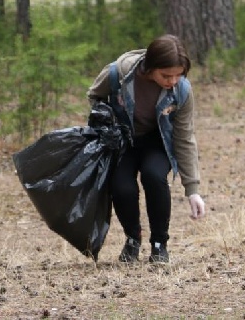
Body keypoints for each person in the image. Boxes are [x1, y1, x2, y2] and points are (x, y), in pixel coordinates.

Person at [87, 34, 206, 264]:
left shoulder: (181, 90)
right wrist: (103, 118)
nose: (173, 81)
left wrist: (192, 189)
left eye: (178, 75)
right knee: (122, 187)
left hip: (157, 141)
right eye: (166, 75)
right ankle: (133, 239)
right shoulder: (117, 73)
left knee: (153, 176)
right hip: (124, 140)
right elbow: (94, 95)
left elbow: (184, 137)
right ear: (150, 67)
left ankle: (159, 245)